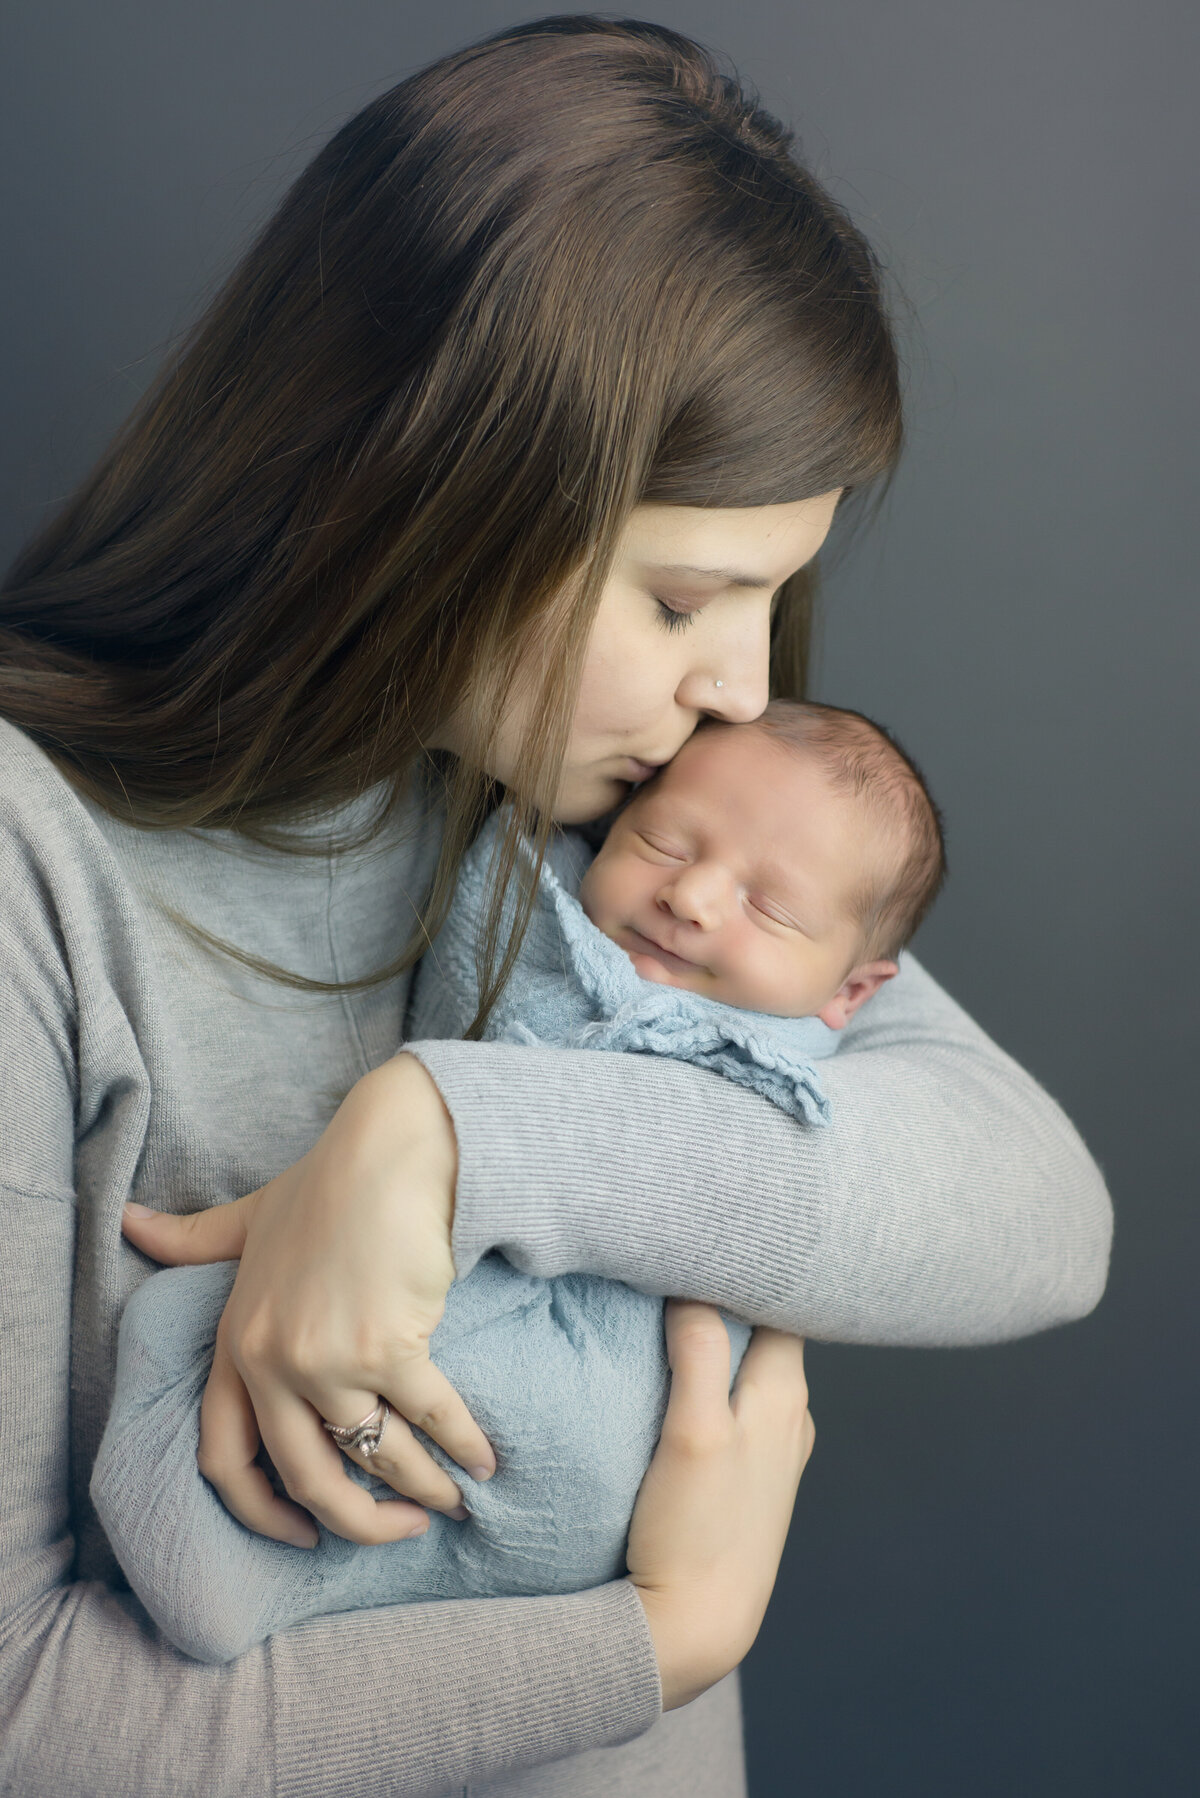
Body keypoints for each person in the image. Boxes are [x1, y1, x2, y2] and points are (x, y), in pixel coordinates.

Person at [0, 17, 1112, 1797]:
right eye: (685, 601)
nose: (745, 692)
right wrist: (656, 1643)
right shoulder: (35, 874)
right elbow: (24, 1718)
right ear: (434, 494)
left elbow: (1043, 1206)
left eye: (771, 600)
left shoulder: (592, 828)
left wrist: (449, 1130)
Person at [92, 699, 945, 1665]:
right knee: (181, 1331)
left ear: (852, 993)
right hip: (604, 1550)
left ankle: (265, 1560)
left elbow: (1045, 1216)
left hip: (613, 1412)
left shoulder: (785, 1038)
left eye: (769, 908)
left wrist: (465, 1132)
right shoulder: (535, 866)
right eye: (661, 844)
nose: (694, 897)